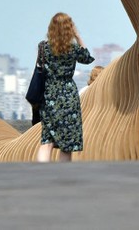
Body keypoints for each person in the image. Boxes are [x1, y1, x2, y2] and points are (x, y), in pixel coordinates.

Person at [36, 12, 95, 163]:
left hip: (49, 95)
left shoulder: (43, 47)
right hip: (68, 95)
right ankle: (62, 178)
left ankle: (40, 174)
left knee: (47, 140)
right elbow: (87, 58)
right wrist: (78, 36)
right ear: (70, 29)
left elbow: (40, 69)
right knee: (67, 144)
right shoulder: (73, 49)